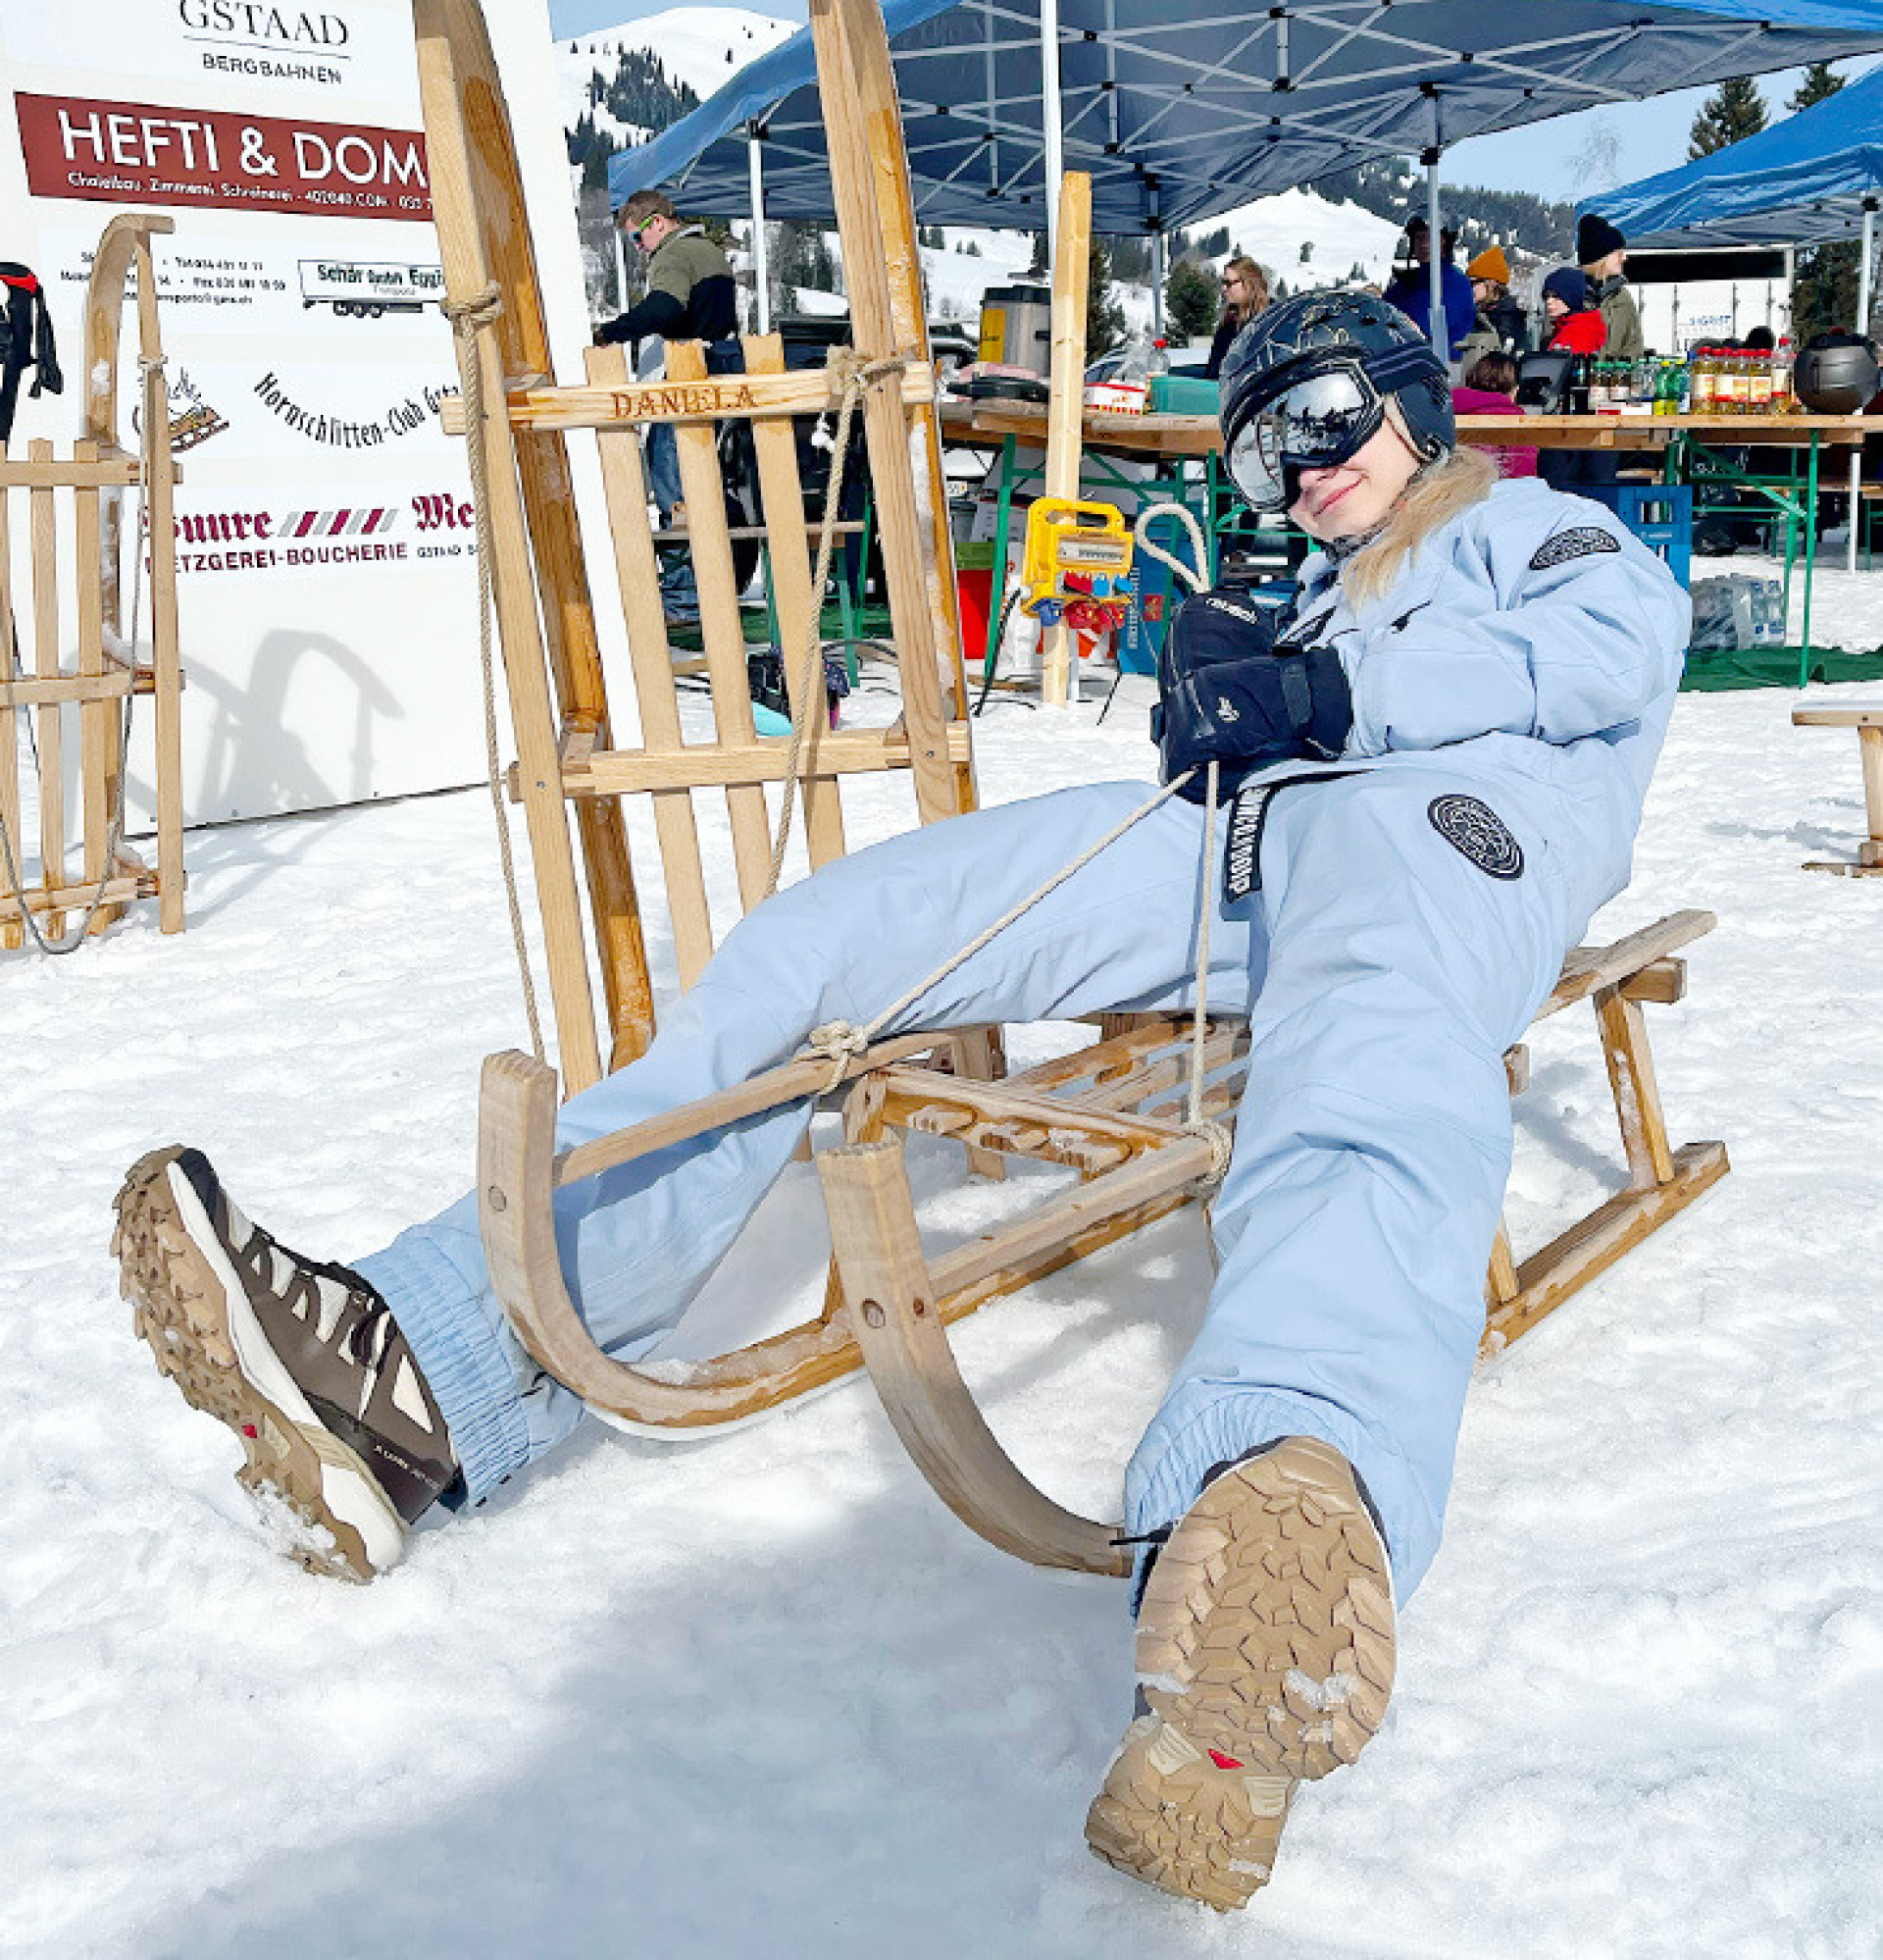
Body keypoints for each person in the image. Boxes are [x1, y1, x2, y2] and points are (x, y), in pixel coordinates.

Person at [113, 289, 1689, 1914]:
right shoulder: (1320, 596)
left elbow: (1614, 651)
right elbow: (1284, 699)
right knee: (842, 934)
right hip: (1254, 832)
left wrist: (1338, 702)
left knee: (1370, 1052)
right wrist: (1247, 682)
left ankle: (1281, 1511)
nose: (1300, 468)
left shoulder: (1534, 530)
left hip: (1447, 830)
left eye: (1327, 417)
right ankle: (426, 1367)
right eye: (1260, 452)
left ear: (1414, 399)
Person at [592, 190, 739, 518]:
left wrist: (610, 332)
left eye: (636, 236)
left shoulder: (672, 255)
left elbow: (664, 309)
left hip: (684, 379)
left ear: (657, 222)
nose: (638, 246)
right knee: (706, 478)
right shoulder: (705, 250)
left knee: (675, 488)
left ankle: (682, 565)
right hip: (714, 370)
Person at [1384, 218, 1475, 362]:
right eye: (1419, 238)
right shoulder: (1408, 283)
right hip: (1402, 361)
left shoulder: (1453, 283)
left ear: (1445, 241)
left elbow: (1430, 327)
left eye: (1431, 237)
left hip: (1438, 367)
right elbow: (1384, 313)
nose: (1424, 244)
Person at [1451, 349, 1537, 479]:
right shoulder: (1514, 420)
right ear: (1515, 390)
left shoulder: (1448, 410)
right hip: (1498, 492)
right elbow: (1523, 473)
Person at [1576, 214, 1645, 361]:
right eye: (1618, 253)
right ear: (1601, 258)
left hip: (1615, 382)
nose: (1624, 258)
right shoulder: (1568, 295)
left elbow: (1634, 346)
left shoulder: (1622, 297)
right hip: (1577, 382)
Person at [1204, 254, 1270, 381]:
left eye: (1229, 283)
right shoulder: (1227, 327)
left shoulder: (1271, 321)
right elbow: (1213, 374)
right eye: (1223, 282)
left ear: (1249, 283)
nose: (1224, 289)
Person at [1465, 245, 1530, 359]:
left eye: (1474, 282)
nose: (1470, 288)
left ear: (1492, 282)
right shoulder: (1479, 315)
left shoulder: (1510, 319)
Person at [1541, 265, 1607, 353]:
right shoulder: (1570, 325)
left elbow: (1559, 366)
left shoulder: (1577, 334)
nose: (1549, 301)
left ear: (1572, 298)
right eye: (1547, 296)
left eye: (1556, 296)